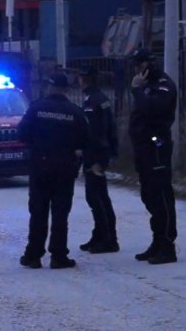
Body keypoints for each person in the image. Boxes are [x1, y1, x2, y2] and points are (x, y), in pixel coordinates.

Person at [18, 71, 89, 269]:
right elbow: (86, 140)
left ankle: (33, 255)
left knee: (38, 212)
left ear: (49, 87)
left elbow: (22, 134)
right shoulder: (75, 112)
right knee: (60, 213)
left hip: (40, 167)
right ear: (66, 89)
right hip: (65, 168)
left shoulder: (36, 108)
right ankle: (58, 256)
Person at [128, 48, 178, 265]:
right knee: (148, 195)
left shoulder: (164, 85)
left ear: (149, 64)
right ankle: (157, 241)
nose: (137, 71)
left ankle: (167, 244)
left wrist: (137, 90)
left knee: (161, 195)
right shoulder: (146, 86)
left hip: (157, 145)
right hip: (143, 147)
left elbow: (151, 108)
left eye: (139, 66)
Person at [78, 67, 120, 254]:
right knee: (101, 195)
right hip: (102, 152)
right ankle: (102, 235)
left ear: (85, 80)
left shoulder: (91, 102)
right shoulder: (102, 99)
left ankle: (107, 240)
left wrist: (93, 158)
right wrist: (112, 151)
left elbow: (94, 132)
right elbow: (111, 127)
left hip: (94, 154)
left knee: (95, 196)